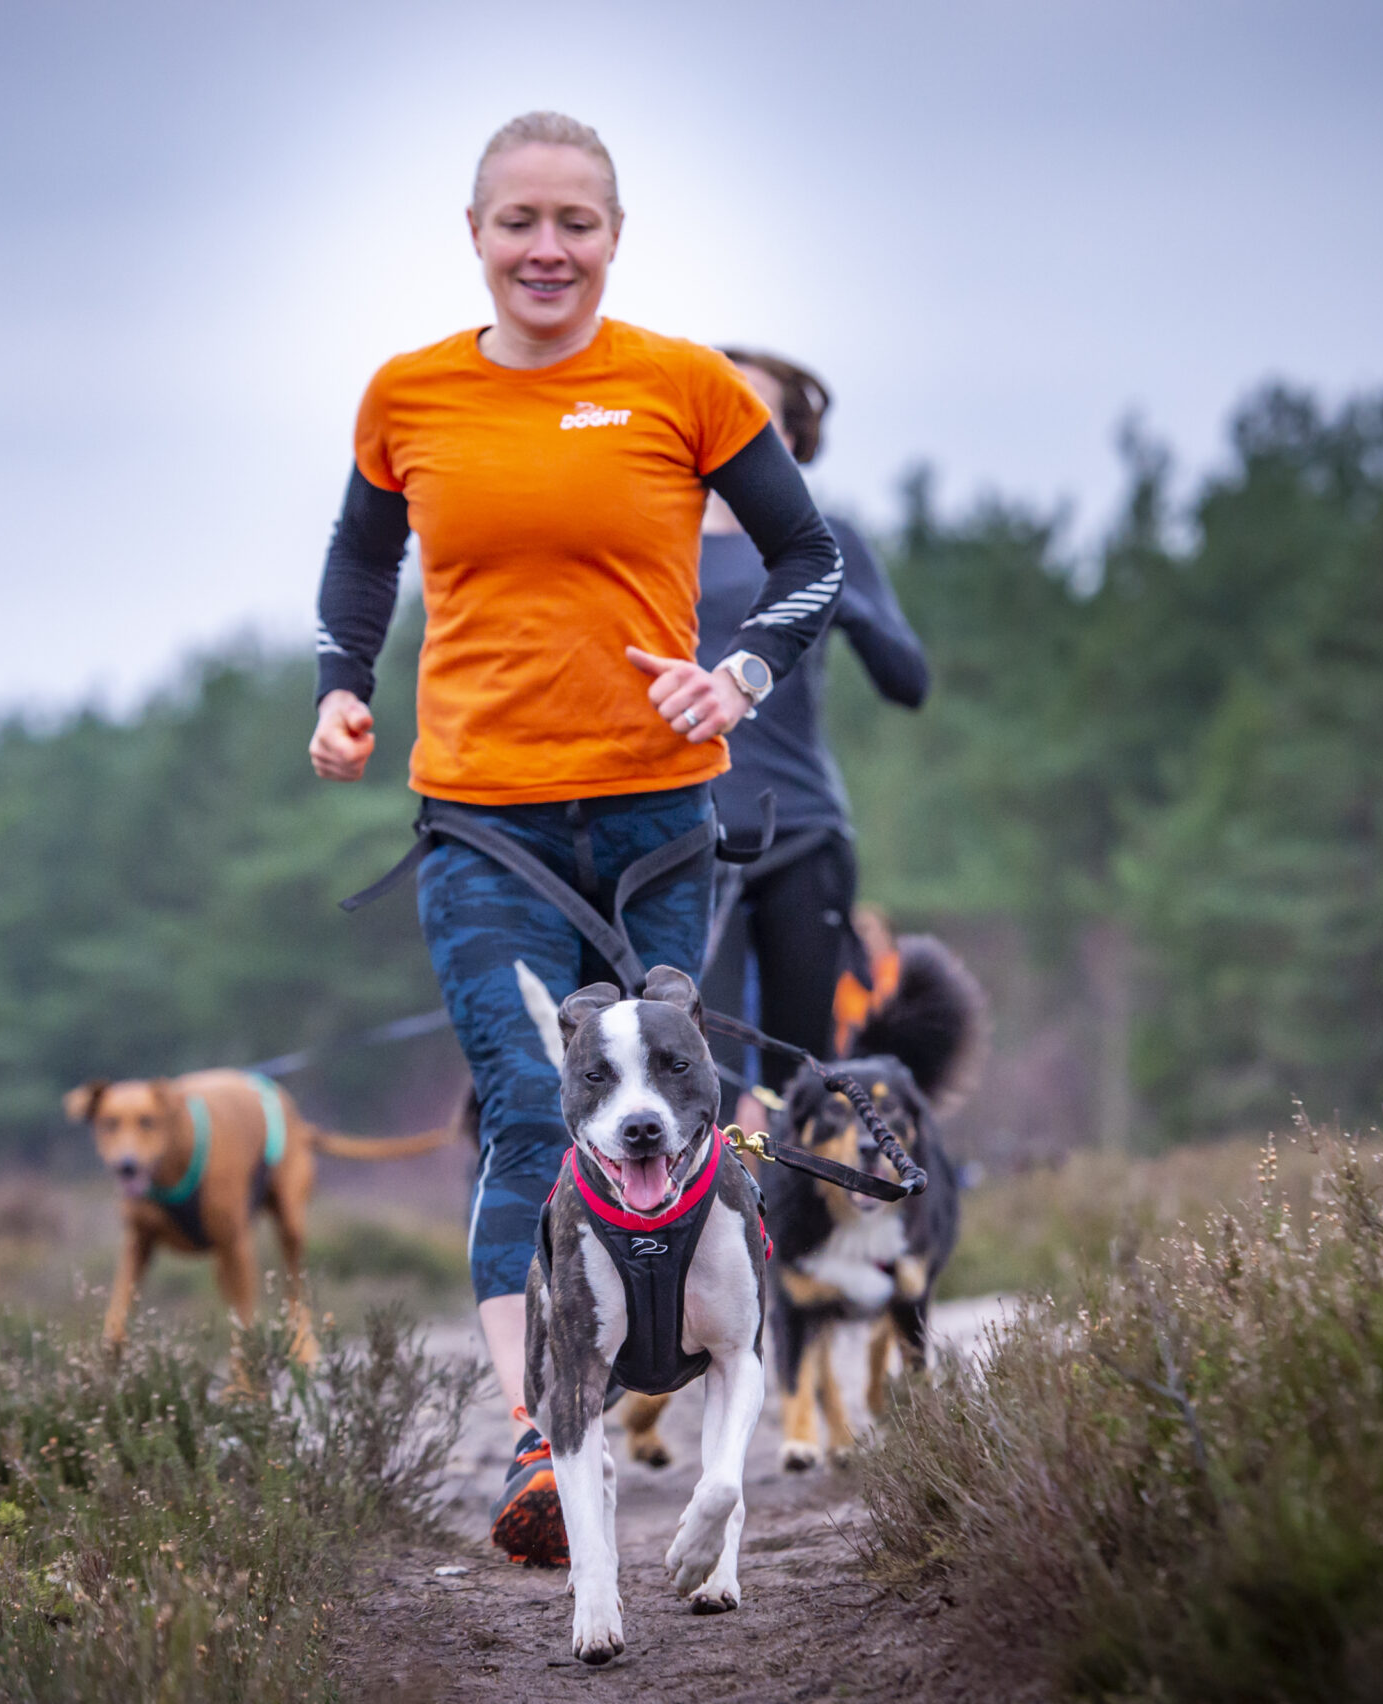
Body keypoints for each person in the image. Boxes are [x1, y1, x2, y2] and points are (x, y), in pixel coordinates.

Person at [307, 112, 843, 1565]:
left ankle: (683, 1361)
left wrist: (738, 675)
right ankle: (547, 1438)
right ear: (474, 233)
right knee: (531, 1114)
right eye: (518, 222)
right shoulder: (410, 395)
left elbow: (811, 558)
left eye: (576, 224)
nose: (548, 249)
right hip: (483, 819)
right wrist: (344, 688)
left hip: (663, 819)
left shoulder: (679, 386)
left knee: (660, 1125)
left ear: (615, 236)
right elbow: (364, 555)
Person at [694, 352, 929, 1122]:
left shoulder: (831, 542)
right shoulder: (657, 537)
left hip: (801, 833)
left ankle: (800, 1235)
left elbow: (909, 682)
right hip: (688, 834)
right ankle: (716, 1242)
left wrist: (832, 590)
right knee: (704, 1069)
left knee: (802, 1072)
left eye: (748, 408)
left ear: (789, 439)